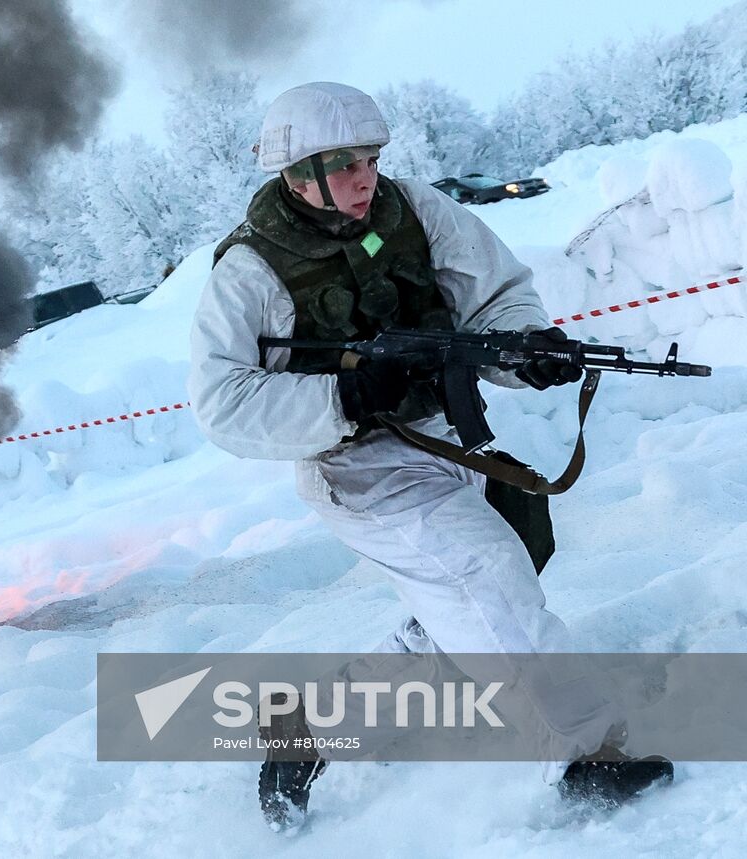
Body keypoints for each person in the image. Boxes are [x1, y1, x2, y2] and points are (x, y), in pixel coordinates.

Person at [187, 81, 673, 829]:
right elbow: (223, 402)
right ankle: (586, 754)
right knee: (487, 576)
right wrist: (344, 398)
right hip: (358, 469)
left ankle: (307, 730)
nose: (364, 176)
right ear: (297, 172)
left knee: (457, 625)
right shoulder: (249, 271)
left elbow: (496, 296)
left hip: (446, 442)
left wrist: (528, 348)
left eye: (372, 157)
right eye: (344, 161)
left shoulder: (413, 211)